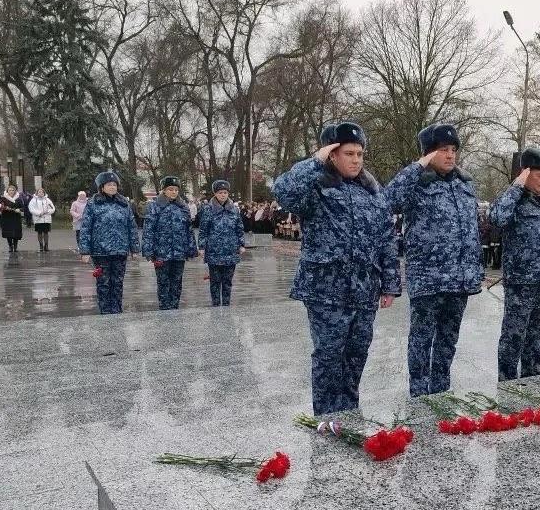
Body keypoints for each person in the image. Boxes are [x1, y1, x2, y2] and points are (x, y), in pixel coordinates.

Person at [273, 122, 400, 414]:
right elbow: (283, 192)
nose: (356, 160)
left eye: (360, 154)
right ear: (332, 155)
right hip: (325, 289)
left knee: (356, 355)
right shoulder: (315, 186)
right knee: (329, 356)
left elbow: (386, 237)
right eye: (349, 154)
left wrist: (390, 283)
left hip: (364, 290)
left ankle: (350, 413)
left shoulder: (372, 190)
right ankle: (327, 417)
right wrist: (314, 162)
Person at [384, 122, 482, 397]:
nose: (450, 155)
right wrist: (417, 167)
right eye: (443, 150)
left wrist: (474, 272)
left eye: (453, 150)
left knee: (448, 341)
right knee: (421, 340)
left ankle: (441, 392)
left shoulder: (464, 185)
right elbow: (386, 202)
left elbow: (470, 231)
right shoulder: (416, 184)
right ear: (428, 154)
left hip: (459, 280)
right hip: (428, 279)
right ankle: (418, 395)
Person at [489, 148, 540, 381]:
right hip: (521, 282)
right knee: (513, 337)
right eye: (539, 175)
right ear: (526, 173)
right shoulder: (514, 201)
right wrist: (516, 187)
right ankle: (506, 385)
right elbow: (497, 218)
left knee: (537, 338)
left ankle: (531, 383)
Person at [79, 171, 140, 315]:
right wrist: (85, 251)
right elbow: (86, 228)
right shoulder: (93, 204)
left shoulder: (124, 204)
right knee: (103, 284)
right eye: (109, 185)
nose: (112, 187)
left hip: (120, 250)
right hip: (101, 251)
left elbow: (131, 226)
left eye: (114, 185)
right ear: (101, 187)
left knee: (118, 283)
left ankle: (117, 311)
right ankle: (105, 313)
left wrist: (135, 248)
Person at [142, 176, 197, 310]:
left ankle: (175, 307)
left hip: (179, 251)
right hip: (161, 252)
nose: (173, 192)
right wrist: (148, 250)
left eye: (176, 190)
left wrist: (191, 249)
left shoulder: (183, 207)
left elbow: (188, 230)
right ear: (164, 190)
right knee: (163, 282)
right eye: (170, 189)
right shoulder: (155, 206)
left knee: (177, 282)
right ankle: (165, 309)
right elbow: (149, 229)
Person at [198, 180, 246, 306]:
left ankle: (226, 304)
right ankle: (215, 304)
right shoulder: (208, 209)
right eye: (220, 193)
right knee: (215, 281)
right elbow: (203, 229)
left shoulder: (234, 209)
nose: (223, 195)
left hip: (231, 250)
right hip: (214, 250)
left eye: (225, 192)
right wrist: (202, 247)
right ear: (215, 193)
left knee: (228, 280)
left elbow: (239, 228)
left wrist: (241, 244)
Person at [0, 184, 26, 253]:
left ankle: (15, 247)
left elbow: (23, 208)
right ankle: (10, 246)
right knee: (9, 233)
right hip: (7, 218)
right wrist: (3, 208)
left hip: (16, 218)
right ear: (7, 191)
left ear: (15, 191)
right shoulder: (4, 199)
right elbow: (0, 207)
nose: (11, 191)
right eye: (10, 190)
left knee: (16, 233)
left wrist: (19, 210)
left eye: (13, 190)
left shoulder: (18, 199)